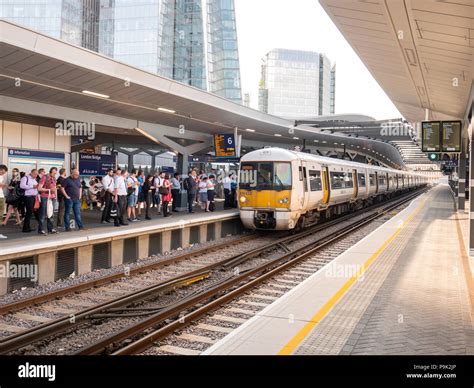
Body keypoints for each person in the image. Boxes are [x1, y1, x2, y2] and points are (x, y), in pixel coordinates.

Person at [37, 167, 58, 235]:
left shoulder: (54, 178)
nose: (55, 174)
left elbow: (54, 188)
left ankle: (50, 229)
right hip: (45, 197)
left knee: (51, 214)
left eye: (55, 173)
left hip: (52, 197)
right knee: (43, 214)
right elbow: (39, 188)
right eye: (54, 173)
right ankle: (41, 230)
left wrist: (55, 196)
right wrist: (48, 190)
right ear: (50, 172)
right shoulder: (44, 177)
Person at [20, 169, 39, 233]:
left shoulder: (34, 180)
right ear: (31, 173)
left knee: (30, 212)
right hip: (28, 197)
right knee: (29, 212)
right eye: (35, 174)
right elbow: (22, 186)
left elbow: (36, 187)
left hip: (33, 197)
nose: (36, 175)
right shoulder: (25, 178)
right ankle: (25, 228)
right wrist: (32, 186)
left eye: (37, 174)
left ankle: (27, 227)